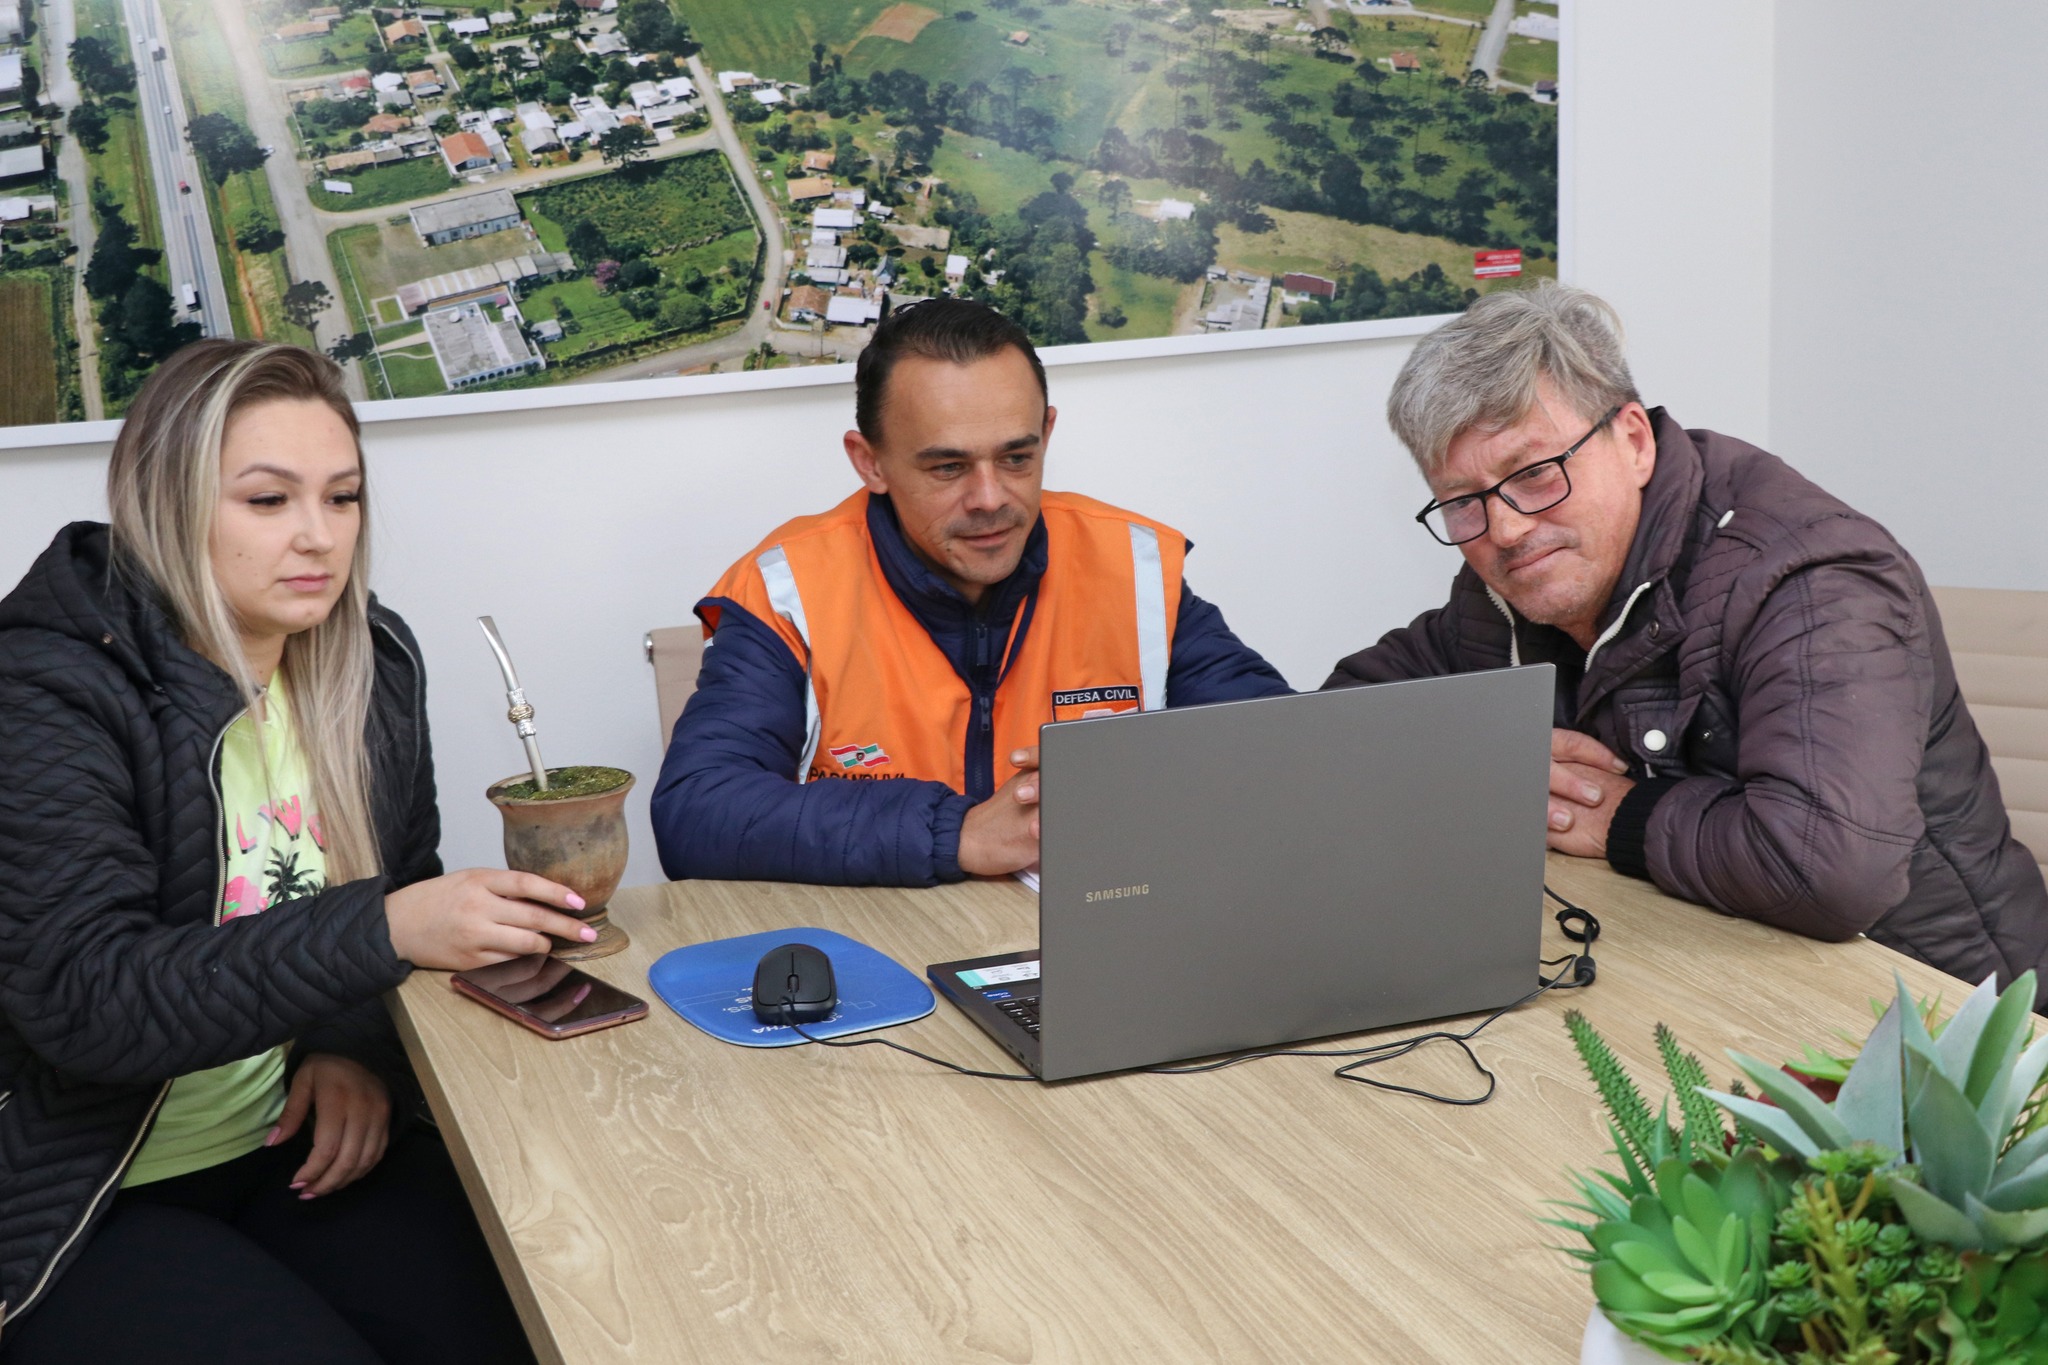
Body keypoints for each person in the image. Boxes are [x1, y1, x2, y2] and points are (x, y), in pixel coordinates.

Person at [0, 341, 598, 1364]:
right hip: (81, 1195)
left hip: (290, 1147)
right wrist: (389, 929)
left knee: (554, 1316)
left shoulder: (368, 661)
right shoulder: (47, 691)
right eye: (268, 502)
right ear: (168, 502)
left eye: (343, 497)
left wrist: (346, 1045)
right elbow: (87, 1001)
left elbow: (391, 869)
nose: (318, 539)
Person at [1325, 282, 2048, 994]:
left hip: (1953, 1022)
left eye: (1536, 473)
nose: (1506, 528)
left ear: (1633, 441)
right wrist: (1484, 759)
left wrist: (1619, 818)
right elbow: (1329, 726)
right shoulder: (1511, 583)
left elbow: (1832, 868)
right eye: (1462, 502)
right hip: (1703, 970)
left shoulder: (1807, 574)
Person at [652, 299, 1289, 885]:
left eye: (1017, 458)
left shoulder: (1135, 565)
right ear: (869, 461)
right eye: (948, 467)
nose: (990, 499)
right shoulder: (786, 589)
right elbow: (697, 814)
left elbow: (1282, 754)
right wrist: (956, 833)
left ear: (1048, 432)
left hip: (1093, 943)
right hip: (875, 960)